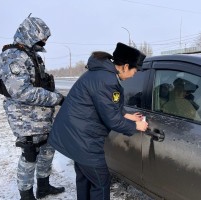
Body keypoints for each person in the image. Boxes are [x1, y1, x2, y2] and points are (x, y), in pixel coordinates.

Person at [48, 42, 149, 200]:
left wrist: (128, 115)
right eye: (135, 71)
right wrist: (137, 125)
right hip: (84, 140)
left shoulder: (101, 74)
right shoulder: (107, 80)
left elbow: (106, 105)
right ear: (125, 66)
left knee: (85, 178)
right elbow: (113, 120)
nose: (134, 75)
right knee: (101, 183)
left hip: (74, 136)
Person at [0, 16, 65, 200]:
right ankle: (26, 195)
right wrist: (56, 98)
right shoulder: (12, 57)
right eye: (43, 37)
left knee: (48, 148)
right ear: (31, 33)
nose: (45, 41)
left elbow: (41, 84)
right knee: (30, 153)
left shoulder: (32, 55)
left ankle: (43, 186)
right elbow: (22, 92)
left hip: (41, 115)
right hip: (24, 117)